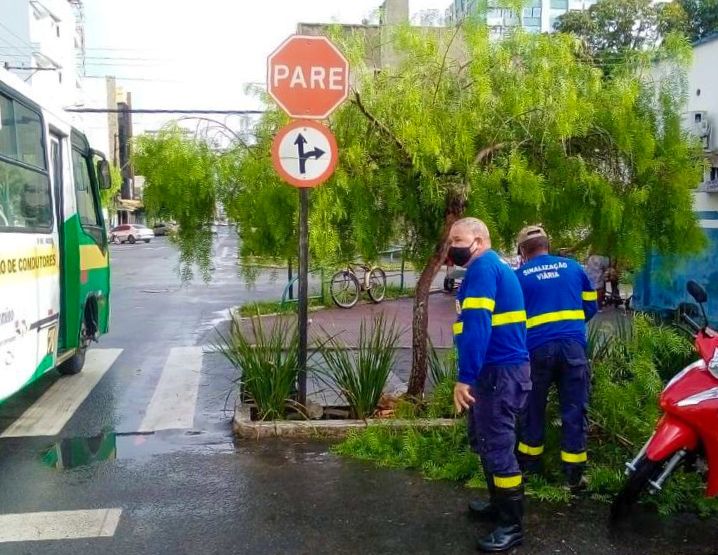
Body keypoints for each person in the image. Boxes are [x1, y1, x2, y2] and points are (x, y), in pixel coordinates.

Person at [449, 217, 531, 553]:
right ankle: (498, 505)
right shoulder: (490, 267)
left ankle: (511, 526)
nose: (452, 245)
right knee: (487, 440)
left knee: (497, 446)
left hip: (497, 373)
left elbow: (477, 326)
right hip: (497, 371)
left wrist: (465, 377)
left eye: (458, 238)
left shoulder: (483, 268)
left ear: (479, 240)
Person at [514, 225, 598, 490]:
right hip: (572, 348)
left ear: (523, 252)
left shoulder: (519, 276)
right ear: (547, 245)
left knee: (532, 408)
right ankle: (574, 477)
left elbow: (512, 320)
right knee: (574, 408)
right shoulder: (573, 268)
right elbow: (591, 306)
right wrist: (569, 329)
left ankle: (530, 469)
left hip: (535, 350)